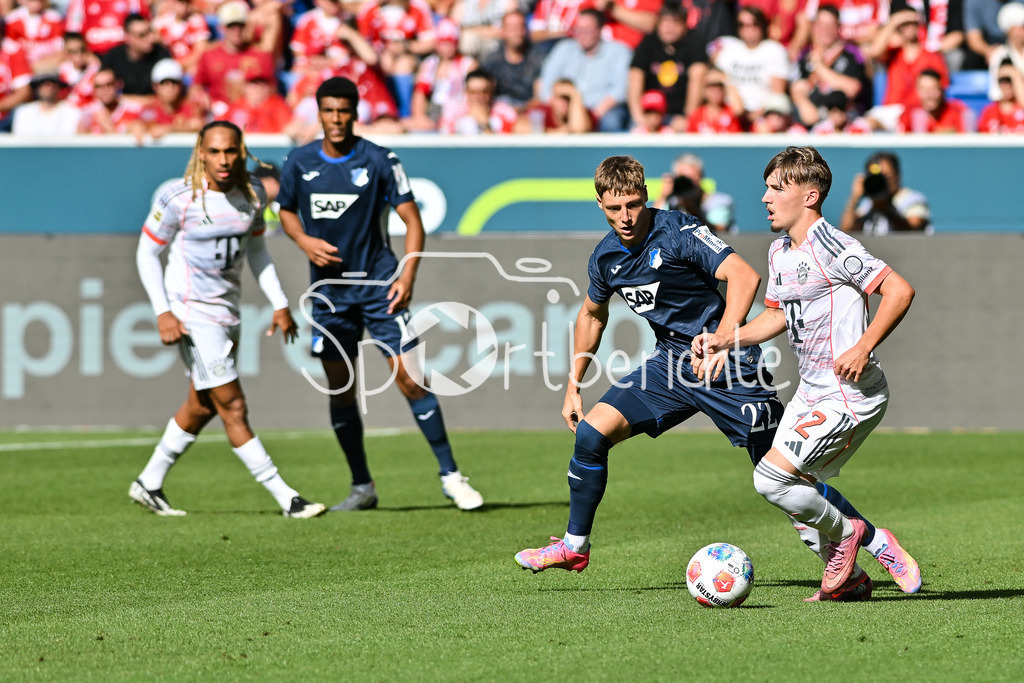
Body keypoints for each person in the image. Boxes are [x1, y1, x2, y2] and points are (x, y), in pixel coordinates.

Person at [515, 155, 921, 603]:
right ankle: (574, 548)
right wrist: (574, 383)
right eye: (614, 209)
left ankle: (866, 551)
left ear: (647, 197)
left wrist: (725, 339)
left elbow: (741, 276)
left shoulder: (679, 231)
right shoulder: (606, 257)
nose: (626, 217)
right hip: (673, 363)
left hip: (731, 369)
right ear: (600, 205)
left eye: (633, 205)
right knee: (591, 433)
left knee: (781, 478)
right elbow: (592, 313)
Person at [692, 145, 920, 601]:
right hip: (811, 392)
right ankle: (861, 566)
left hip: (850, 393)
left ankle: (853, 534)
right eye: (766, 187)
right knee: (792, 490)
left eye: (777, 188)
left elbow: (899, 290)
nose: (764, 198)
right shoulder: (779, 251)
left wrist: (864, 344)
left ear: (810, 195)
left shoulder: (833, 245)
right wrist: (725, 338)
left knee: (770, 479)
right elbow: (776, 317)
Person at [277, 77, 484, 512]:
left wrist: (407, 276)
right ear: (319, 113)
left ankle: (451, 476)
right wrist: (303, 242)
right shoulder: (299, 161)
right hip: (330, 295)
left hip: (379, 287)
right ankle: (361, 486)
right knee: (341, 390)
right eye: (329, 111)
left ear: (355, 112)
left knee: (409, 379)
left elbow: (413, 221)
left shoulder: (380, 159)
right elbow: (287, 213)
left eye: (344, 111)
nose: (336, 119)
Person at [131, 120, 327, 520]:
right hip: (190, 314)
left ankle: (149, 483)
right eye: (215, 151)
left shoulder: (253, 193)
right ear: (200, 152)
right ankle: (287, 497)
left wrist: (279, 301)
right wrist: (163, 311)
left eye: (230, 151)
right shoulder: (178, 196)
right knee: (233, 406)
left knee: (202, 405)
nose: (223, 160)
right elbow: (146, 253)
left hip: (227, 313)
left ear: (242, 151)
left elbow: (256, 252)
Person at [537, 8, 633, 132]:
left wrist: (593, 115)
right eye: (578, 29)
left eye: (587, 29)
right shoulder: (563, 49)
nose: (582, 34)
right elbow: (546, 83)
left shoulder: (619, 52)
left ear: (599, 30)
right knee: (535, 117)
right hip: (564, 110)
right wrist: (557, 107)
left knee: (612, 121)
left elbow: (620, 90)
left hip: (601, 110)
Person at [628, 3, 708, 132]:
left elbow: (698, 78)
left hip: (679, 115)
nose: (669, 28)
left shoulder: (694, 42)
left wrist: (687, 118)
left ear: (684, 26)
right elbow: (635, 76)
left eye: (675, 23)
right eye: (665, 22)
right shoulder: (648, 42)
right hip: (650, 115)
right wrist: (639, 117)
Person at [708, 5, 790, 124]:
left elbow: (777, 92)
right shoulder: (729, 49)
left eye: (754, 24)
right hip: (730, 112)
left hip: (764, 115)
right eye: (742, 24)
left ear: (762, 25)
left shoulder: (774, 50)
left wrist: (755, 116)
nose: (748, 28)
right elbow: (713, 80)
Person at [789, 5, 869, 127]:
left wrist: (820, 67)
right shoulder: (804, 56)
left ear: (839, 27)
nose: (825, 30)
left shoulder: (852, 54)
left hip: (842, 122)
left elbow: (852, 88)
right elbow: (796, 88)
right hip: (808, 122)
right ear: (814, 27)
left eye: (830, 25)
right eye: (821, 25)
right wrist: (804, 105)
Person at [840, 150, 932, 234]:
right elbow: (847, 231)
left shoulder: (913, 199)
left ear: (897, 176)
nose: (881, 182)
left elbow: (913, 230)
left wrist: (886, 209)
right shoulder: (868, 205)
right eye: (876, 178)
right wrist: (854, 198)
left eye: (886, 177)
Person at [100, 14, 173, 97]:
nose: (151, 38)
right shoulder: (113, 57)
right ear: (128, 37)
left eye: (150, 32)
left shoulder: (161, 55)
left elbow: (169, 95)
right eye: (142, 35)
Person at [438, 67, 518, 134]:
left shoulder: (505, 111)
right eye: (474, 92)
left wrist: (484, 121)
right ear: (466, 92)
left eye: (485, 91)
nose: (480, 96)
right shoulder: (454, 112)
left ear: (492, 91)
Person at [897, 67, 974, 132]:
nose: (929, 95)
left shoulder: (958, 111)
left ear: (942, 90)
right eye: (924, 90)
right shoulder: (909, 115)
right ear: (917, 91)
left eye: (933, 89)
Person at [11, 71, 82, 136]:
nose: (49, 87)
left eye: (53, 84)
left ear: (59, 87)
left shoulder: (72, 112)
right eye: (44, 84)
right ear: (37, 88)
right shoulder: (24, 112)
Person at [978, 60, 1024, 132]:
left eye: (1010, 80)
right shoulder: (989, 111)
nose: (1006, 85)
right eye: (1002, 80)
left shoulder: (1021, 108)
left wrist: (1016, 75)